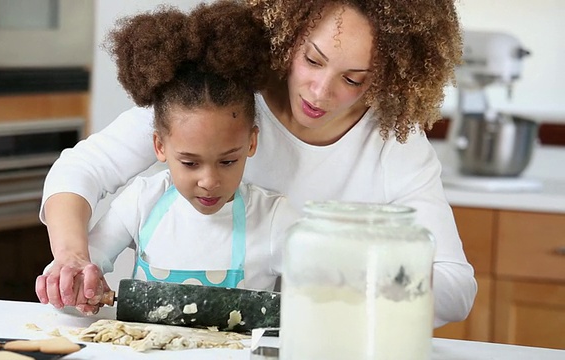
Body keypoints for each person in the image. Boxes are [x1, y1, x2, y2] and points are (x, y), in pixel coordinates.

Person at [37, 0, 477, 327]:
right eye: (312, 60)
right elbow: (81, 170)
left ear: (389, 74)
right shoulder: (226, 93)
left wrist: (336, 276)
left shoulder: (393, 140)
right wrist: (73, 257)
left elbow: (454, 289)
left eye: (353, 79)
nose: (320, 92)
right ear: (289, 31)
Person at [36, 0, 299, 315]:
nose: (209, 181)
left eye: (228, 161)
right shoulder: (141, 203)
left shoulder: (274, 219)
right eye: (190, 162)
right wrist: (77, 283)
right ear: (159, 146)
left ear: (251, 142)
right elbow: (82, 267)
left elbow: (324, 293)